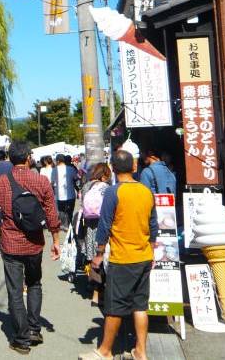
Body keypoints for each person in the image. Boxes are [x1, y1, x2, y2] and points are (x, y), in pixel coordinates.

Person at [0, 140, 61, 355]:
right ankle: (35, 329)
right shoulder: (41, 181)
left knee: (15, 291)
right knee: (35, 284)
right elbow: (51, 215)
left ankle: (21, 338)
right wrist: (56, 240)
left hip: (10, 244)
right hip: (35, 243)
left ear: (10, 159)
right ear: (28, 158)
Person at [79, 150, 157, 360]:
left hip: (122, 257)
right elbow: (153, 225)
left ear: (112, 169)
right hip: (143, 255)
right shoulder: (145, 191)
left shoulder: (114, 192)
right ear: (134, 167)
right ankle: (141, 351)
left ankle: (105, 351)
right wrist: (151, 250)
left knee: (114, 306)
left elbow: (104, 226)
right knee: (140, 306)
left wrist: (98, 253)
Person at [78, 162, 112, 306]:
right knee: (103, 258)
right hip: (103, 226)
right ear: (104, 175)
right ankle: (101, 292)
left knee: (93, 257)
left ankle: (93, 291)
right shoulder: (106, 188)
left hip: (89, 227)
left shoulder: (86, 186)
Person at [52, 153, 79, 231]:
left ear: (58, 160)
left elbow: (52, 181)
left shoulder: (55, 170)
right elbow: (75, 178)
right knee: (69, 212)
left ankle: (63, 225)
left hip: (59, 195)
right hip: (70, 194)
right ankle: (70, 226)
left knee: (61, 211)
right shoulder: (71, 169)